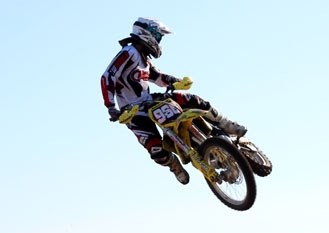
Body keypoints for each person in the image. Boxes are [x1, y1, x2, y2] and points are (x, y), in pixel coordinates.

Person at [100, 17, 247, 185]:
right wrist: (111, 107)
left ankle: (225, 123)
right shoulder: (129, 52)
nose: (159, 41)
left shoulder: (143, 58)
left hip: (150, 101)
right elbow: (107, 77)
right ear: (147, 34)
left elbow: (157, 77)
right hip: (131, 112)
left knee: (192, 100)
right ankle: (174, 165)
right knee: (155, 148)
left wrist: (176, 81)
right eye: (158, 37)